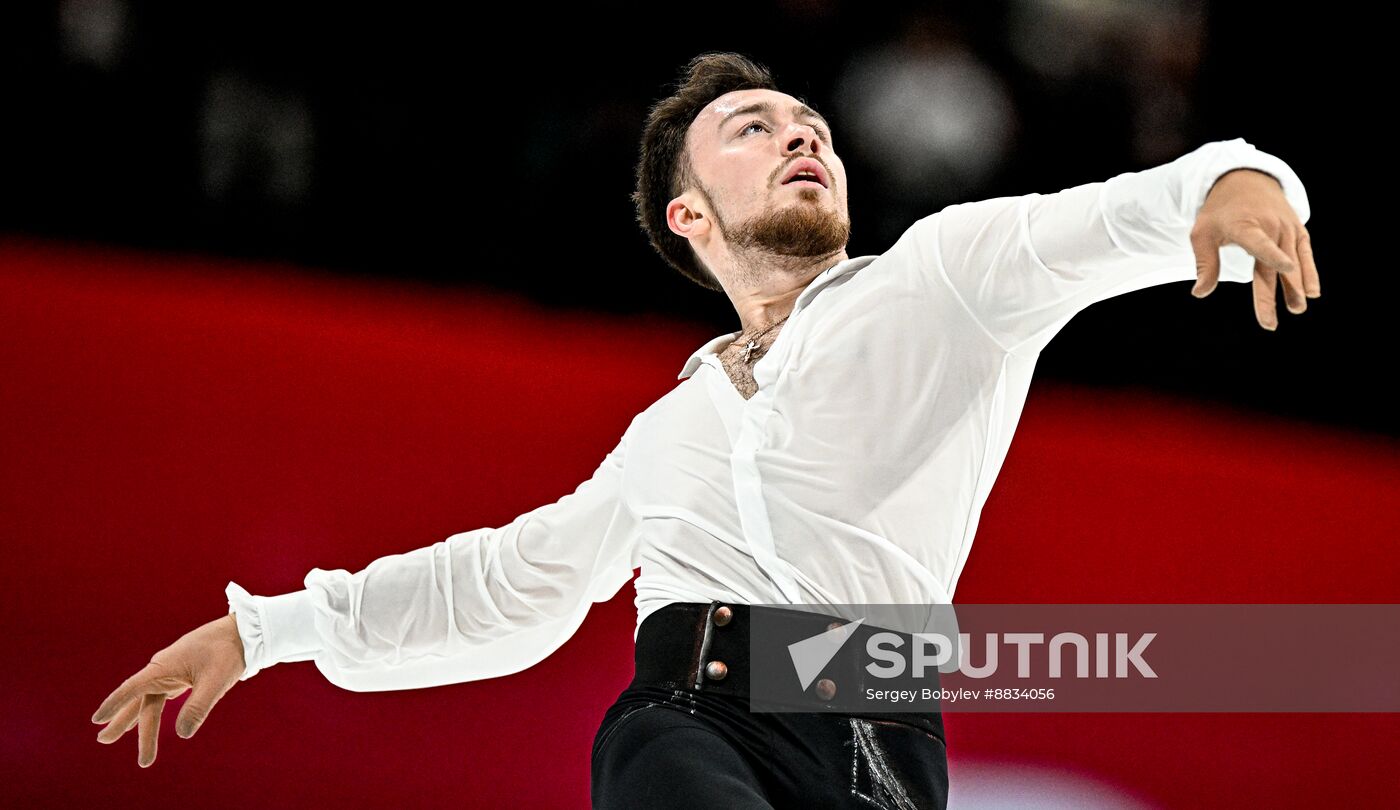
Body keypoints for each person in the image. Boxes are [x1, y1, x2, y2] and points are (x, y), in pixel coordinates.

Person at [91, 52, 1318, 807]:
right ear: (687, 212)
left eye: (814, 129)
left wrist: (1240, 186)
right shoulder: (666, 431)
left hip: (877, 725)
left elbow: (1104, 218)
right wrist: (268, 633)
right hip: (689, 719)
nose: (803, 137)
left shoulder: (937, 280)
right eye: (756, 127)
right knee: (656, 750)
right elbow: (511, 584)